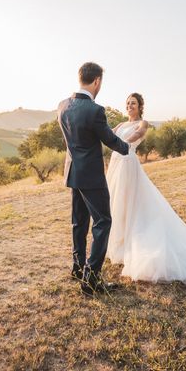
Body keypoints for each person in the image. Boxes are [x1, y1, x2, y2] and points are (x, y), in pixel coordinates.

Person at [106, 93, 186, 283]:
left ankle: (134, 243)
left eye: (133, 103)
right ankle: (118, 243)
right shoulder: (120, 125)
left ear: (140, 106)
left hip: (128, 164)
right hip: (115, 165)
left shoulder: (142, 124)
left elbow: (137, 136)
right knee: (116, 202)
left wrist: (118, 144)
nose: (129, 106)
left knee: (129, 202)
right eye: (127, 103)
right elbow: (106, 134)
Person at [57, 62, 130, 296]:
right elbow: (109, 139)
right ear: (97, 81)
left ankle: (78, 268)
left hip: (73, 173)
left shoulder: (62, 106)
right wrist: (127, 147)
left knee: (78, 222)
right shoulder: (95, 110)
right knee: (103, 222)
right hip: (91, 176)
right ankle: (91, 279)